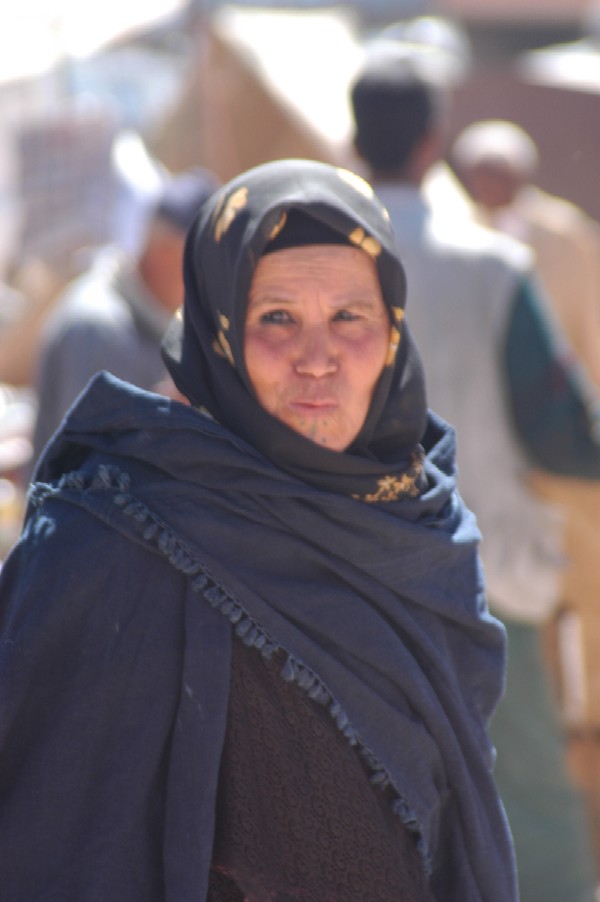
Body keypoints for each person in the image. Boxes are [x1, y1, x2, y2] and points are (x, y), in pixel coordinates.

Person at [0, 158, 515, 901]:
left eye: (349, 316)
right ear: (218, 333)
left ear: (393, 329)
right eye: (277, 317)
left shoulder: (421, 527)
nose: (318, 359)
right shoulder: (108, 543)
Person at [350, 44, 598, 902]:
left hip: (347, 578)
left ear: (355, 139)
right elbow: (565, 432)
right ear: (434, 143)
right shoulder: (493, 264)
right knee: (524, 788)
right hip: (483, 577)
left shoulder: (316, 261)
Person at [30, 166, 219, 466]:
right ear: (169, 253)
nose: (212, 280)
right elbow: (91, 470)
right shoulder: (99, 329)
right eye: (207, 262)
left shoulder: (160, 320)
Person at [451, 118, 600, 388]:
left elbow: (590, 314)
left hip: (554, 377)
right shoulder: (457, 229)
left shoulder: (564, 232)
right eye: (482, 173)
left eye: (499, 173)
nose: (490, 183)